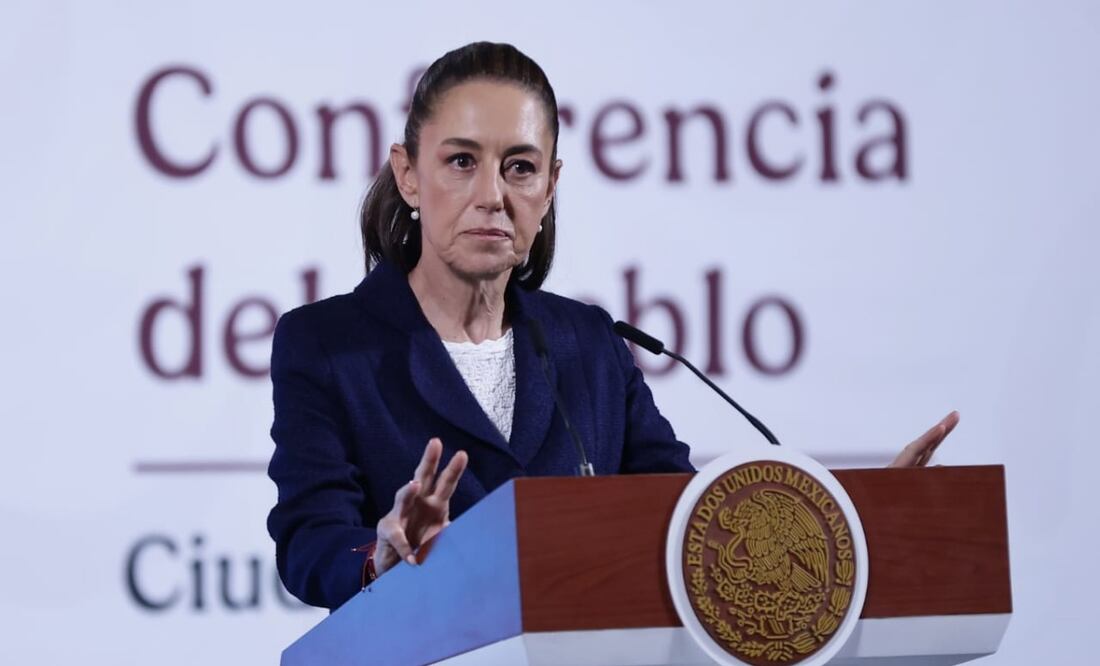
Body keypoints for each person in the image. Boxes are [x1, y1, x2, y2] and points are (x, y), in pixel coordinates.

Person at [266, 42, 959, 611]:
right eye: (460, 161)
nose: (492, 196)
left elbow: (688, 522)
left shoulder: (587, 344)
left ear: (550, 186)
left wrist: (845, 521)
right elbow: (309, 541)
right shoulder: (328, 346)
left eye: (520, 167)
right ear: (409, 175)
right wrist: (381, 556)